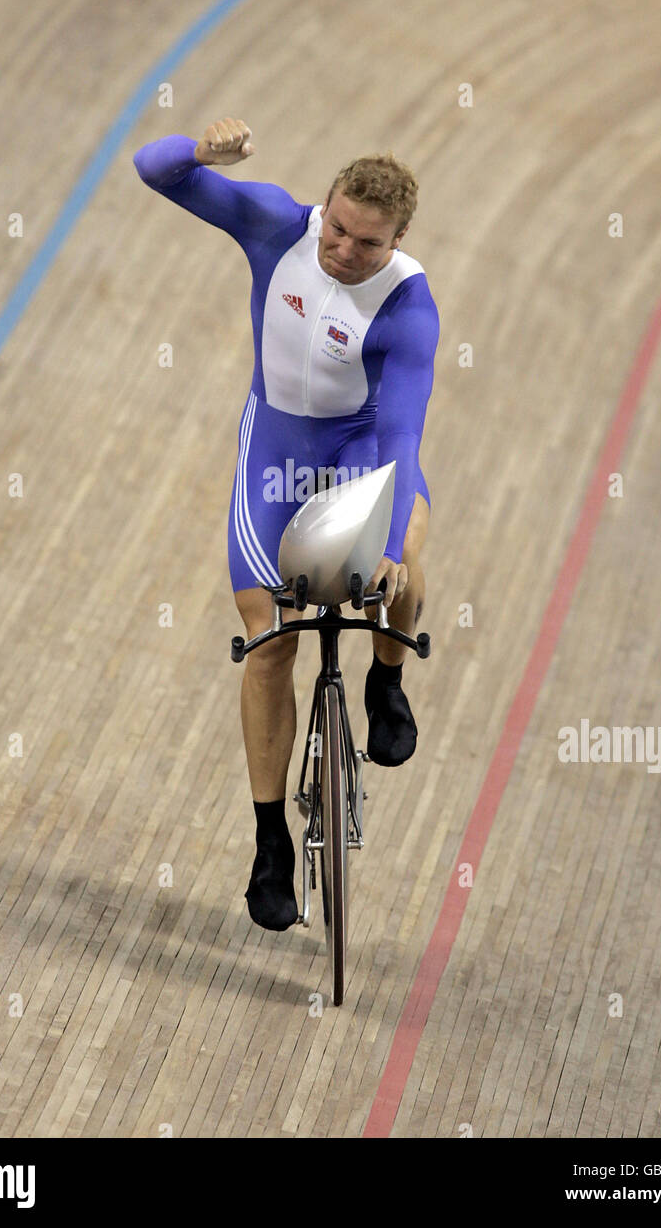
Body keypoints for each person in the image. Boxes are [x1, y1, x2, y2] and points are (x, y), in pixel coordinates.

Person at [133, 118, 439, 932]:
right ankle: (269, 842)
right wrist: (201, 150)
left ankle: (385, 679)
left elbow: (403, 435)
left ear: (397, 239)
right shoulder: (277, 222)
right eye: (338, 228)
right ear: (326, 205)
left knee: (403, 549)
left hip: (359, 452)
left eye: (367, 243)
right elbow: (149, 169)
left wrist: (384, 541)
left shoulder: (407, 303)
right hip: (275, 449)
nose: (344, 249)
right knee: (270, 638)